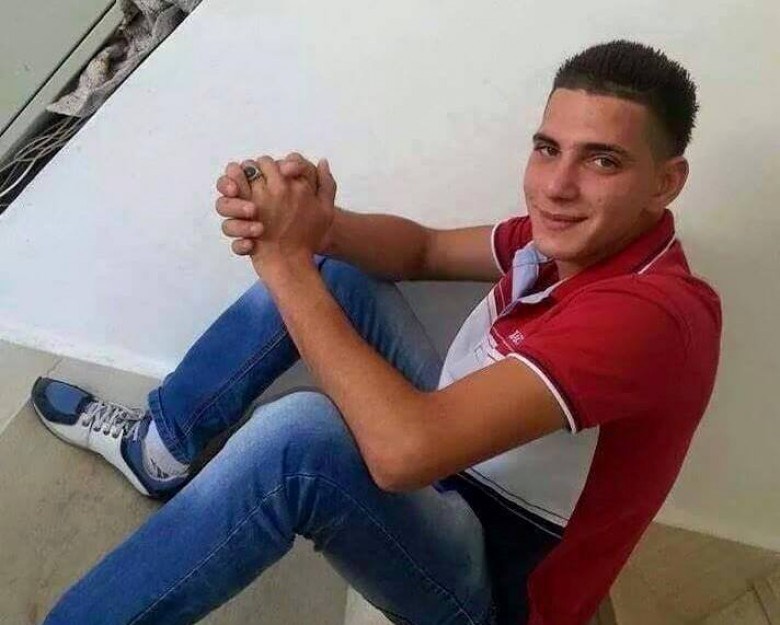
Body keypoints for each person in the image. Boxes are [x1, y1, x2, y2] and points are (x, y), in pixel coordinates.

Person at [33, 39, 721, 625]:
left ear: (666, 182)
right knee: (334, 271)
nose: (556, 186)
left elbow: (402, 455)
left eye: (603, 161)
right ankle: (160, 450)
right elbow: (422, 249)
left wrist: (282, 258)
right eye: (548, 148)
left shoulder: (653, 314)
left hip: (495, 583)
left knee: (300, 440)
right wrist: (319, 227)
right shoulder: (564, 241)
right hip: (461, 454)